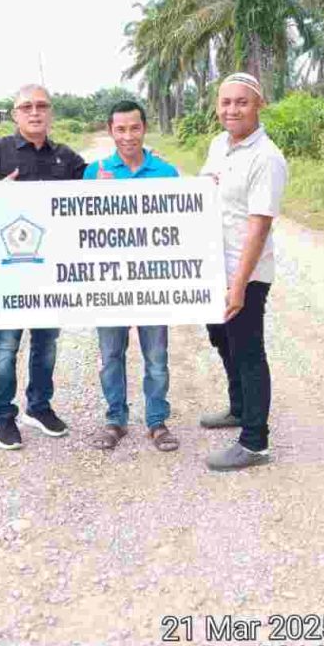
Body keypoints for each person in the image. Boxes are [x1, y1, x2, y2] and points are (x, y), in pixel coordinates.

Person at [0, 84, 87, 450]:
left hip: (52, 271)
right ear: (14, 115)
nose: (35, 112)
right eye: (26, 107)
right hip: (9, 272)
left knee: (46, 343)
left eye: (42, 106)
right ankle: (3, 416)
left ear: (51, 113)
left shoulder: (66, 158)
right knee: (5, 345)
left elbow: (97, 191)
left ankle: (39, 406)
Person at [199, 72, 288, 471]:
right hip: (214, 268)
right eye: (226, 102)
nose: (232, 109)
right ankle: (238, 407)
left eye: (242, 102)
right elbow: (203, 190)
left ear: (259, 105)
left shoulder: (266, 157)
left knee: (248, 349)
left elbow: (259, 226)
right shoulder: (220, 144)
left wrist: (239, 284)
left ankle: (254, 442)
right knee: (222, 339)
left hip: (245, 273)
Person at [83, 100, 179, 452]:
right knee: (111, 356)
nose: (128, 136)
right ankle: (115, 420)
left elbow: (180, 227)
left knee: (156, 358)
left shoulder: (166, 173)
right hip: (108, 283)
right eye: (120, 129)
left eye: (134, 128)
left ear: (144, 128)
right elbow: (81, 229)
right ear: (110, 131)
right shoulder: (94, 173)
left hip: (152, 281)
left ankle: (157, 422)